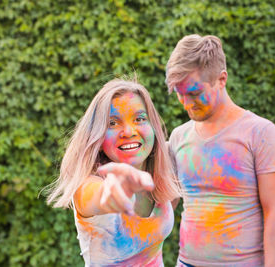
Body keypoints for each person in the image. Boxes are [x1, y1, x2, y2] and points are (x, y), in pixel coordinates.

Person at [165, 34, 275, 267]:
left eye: (193, 93)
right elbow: (164, 208)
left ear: (221, 79)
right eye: (179, 93)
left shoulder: (261, 134)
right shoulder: (178, 137)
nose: (185, 103)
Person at [46, 77, 180, 266]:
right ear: (98, 139)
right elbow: (98, 195)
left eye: (139, 119)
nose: (129, 131)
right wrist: (113, 192)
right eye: (113, 123)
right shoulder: (86, 187)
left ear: (153, 127)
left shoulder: (164, 170)